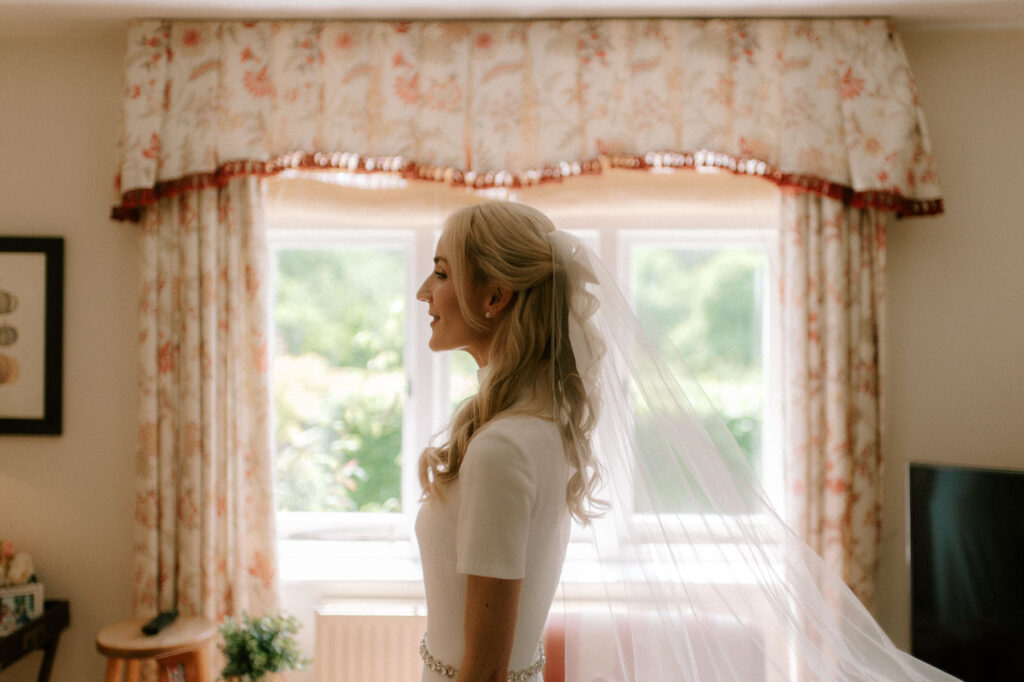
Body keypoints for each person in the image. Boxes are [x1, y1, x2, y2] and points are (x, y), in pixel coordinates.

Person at [414, 201, 957, 682]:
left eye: (440, 273)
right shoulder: (540, 432)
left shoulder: (501, 449)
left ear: (494, 295)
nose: (423, 292)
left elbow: (484, 672)